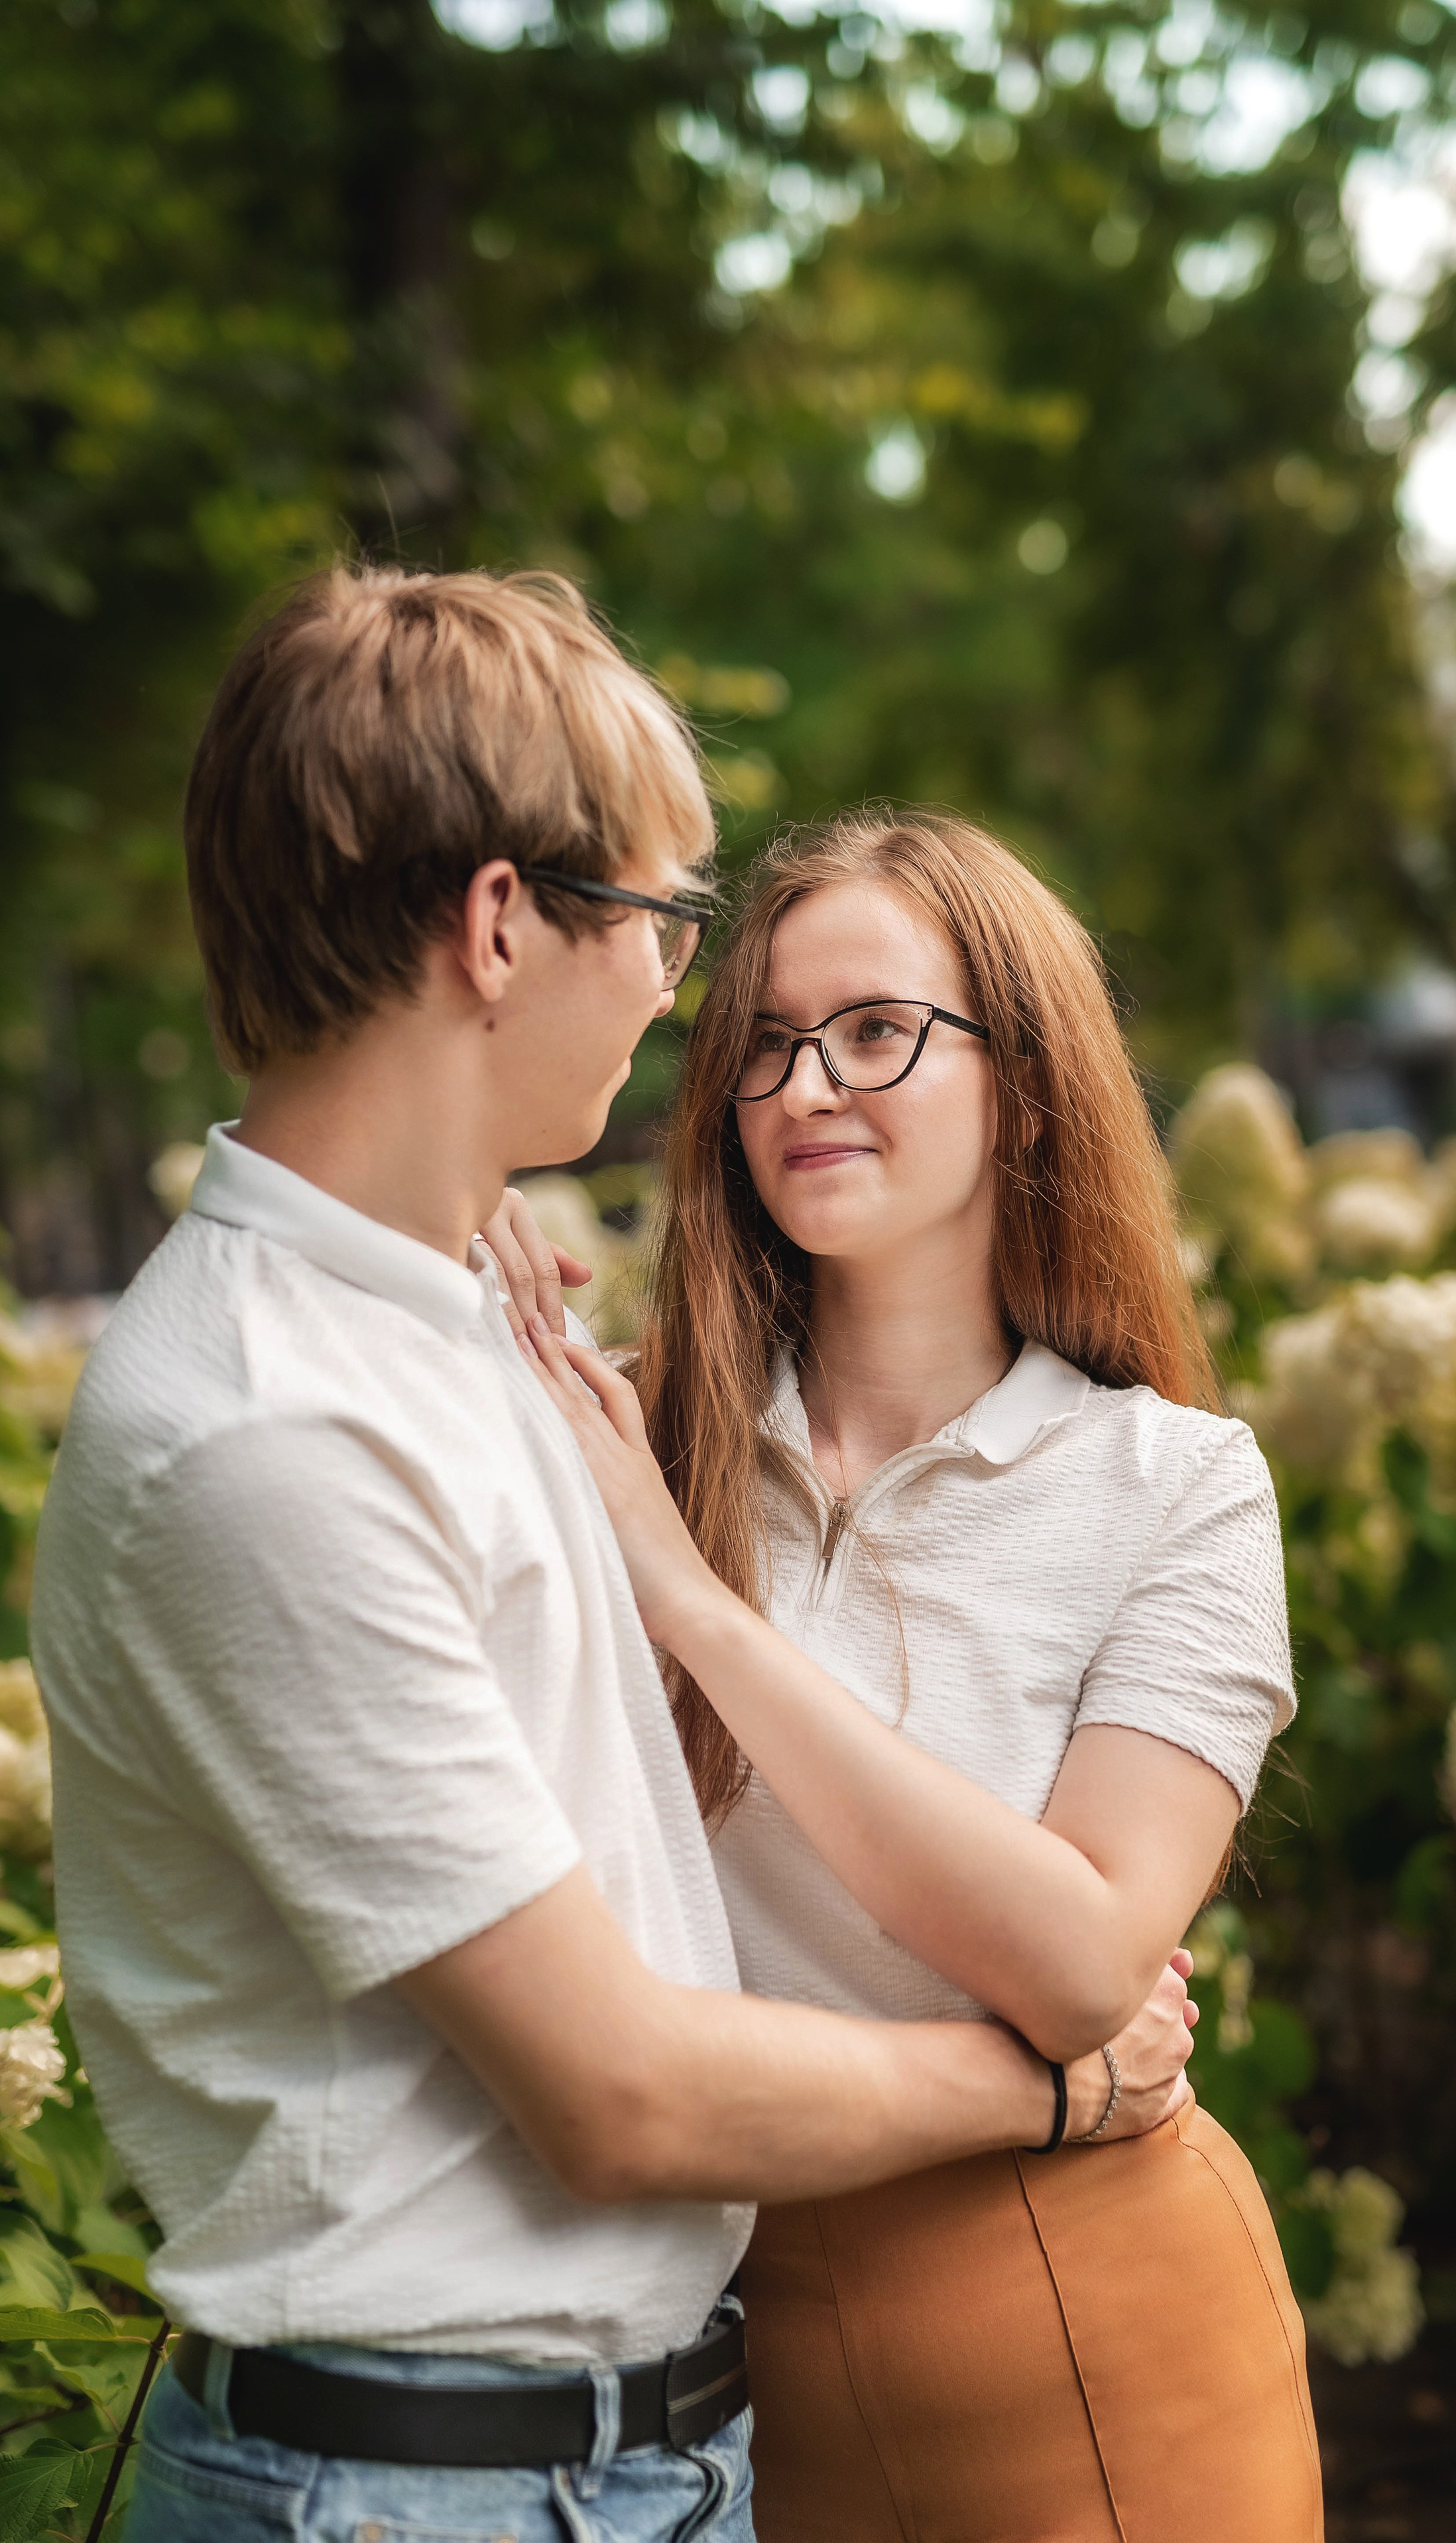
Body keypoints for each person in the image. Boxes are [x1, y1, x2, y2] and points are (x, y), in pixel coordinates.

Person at [28, 577, 1195, 2543]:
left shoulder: (438, 1320)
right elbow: (623, 2094)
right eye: (664, 923)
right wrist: (1053, 2089)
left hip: (589, 2464)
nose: (680, 990)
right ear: (500, 923)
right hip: (406, 2490)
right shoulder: (272, 1427)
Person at [485, 809, 1325, 2543]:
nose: (806, 1088)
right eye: (769, 1046)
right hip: (716, 2360)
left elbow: (1089, 1955)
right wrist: (452, 1209)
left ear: (1020, 1081)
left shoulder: (1171, 1483)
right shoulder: (618, 1427)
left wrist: (699, 1604)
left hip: (1089, 2311)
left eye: (878, 1032)